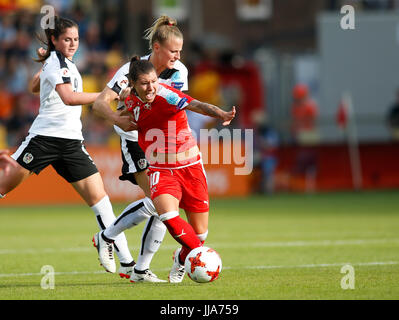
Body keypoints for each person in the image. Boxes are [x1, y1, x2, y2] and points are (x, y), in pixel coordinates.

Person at [0, 16, 136, 276]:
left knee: (102, 202)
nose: (73, 44)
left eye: (75, 39)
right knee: (2, 186)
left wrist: (45, 65)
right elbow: (69, 98)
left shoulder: (62, 63)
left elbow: (33, 86)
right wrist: (108, 95)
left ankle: (129, 264)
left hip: (72, 142)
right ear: (54, 39)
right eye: (66, 40)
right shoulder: (56, 62)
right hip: (44, 140)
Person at [94, 57, 235, 283]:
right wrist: (118, 119)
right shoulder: (129, 99)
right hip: (162, 169)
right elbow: (109, 104)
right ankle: (195, 258)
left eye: (153, 82)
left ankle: (182, 260)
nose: (151, 87)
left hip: (191, 168)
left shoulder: (166, 94)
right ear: (133, 84)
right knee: (168, 215)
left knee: (199, 235)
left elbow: (196, 105)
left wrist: (220, 113)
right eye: (144, 83)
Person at [92, 15, 190, 283]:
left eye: (180, 51)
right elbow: (100, 104)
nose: (178, 56)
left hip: (162, 144)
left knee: (166, 207)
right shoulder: (130, 71)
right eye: (173, 51)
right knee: (161, 203)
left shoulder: (180, 71)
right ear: (157, 48)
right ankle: (109, 237)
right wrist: (116, 118)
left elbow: (177, 107)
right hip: (135, 142)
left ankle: (138, 269)